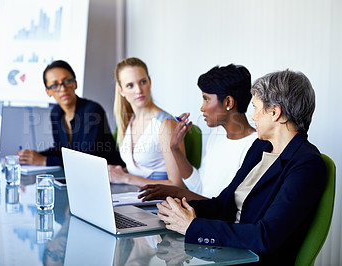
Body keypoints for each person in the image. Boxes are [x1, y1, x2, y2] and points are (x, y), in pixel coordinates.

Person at [156, 70, 326, 265]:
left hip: (250, 259)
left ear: (274, 112)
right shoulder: (260, 147)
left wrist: (192, 226)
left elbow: (265, 236)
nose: (252, 116)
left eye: (255, 107)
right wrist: (179, 209)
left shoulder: (307, 164)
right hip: (225, 252)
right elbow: (223, 205)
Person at [139, 64, 257, 201]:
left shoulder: (254, 146)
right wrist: (175, 148)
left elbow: (229, 208)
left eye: (206, 99)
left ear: (228, 102)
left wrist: (176, 192)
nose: (202, 108)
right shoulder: (216, 136)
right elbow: (200, 189)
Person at [17, 60, 124, 167]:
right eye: (55, 85)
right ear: (48, 91)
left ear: (75, 84)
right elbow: (61, 150)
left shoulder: (92, 110)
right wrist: (32, 156)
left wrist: (44, 160)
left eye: (67, 81)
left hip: (111, 177)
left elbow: (88, 159)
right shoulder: (56, 113)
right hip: (79, 175)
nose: (63, 89)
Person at [108, 57, 185, 187]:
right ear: (121, 91)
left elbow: (178, 184)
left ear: (150, 82)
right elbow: (142, 170)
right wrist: (117, 173)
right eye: (130, 85)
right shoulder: (130, 120)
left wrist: (126, 178)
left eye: (143, 82)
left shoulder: (165, 125)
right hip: (133, 195)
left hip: (159, 202)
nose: (138, 90)